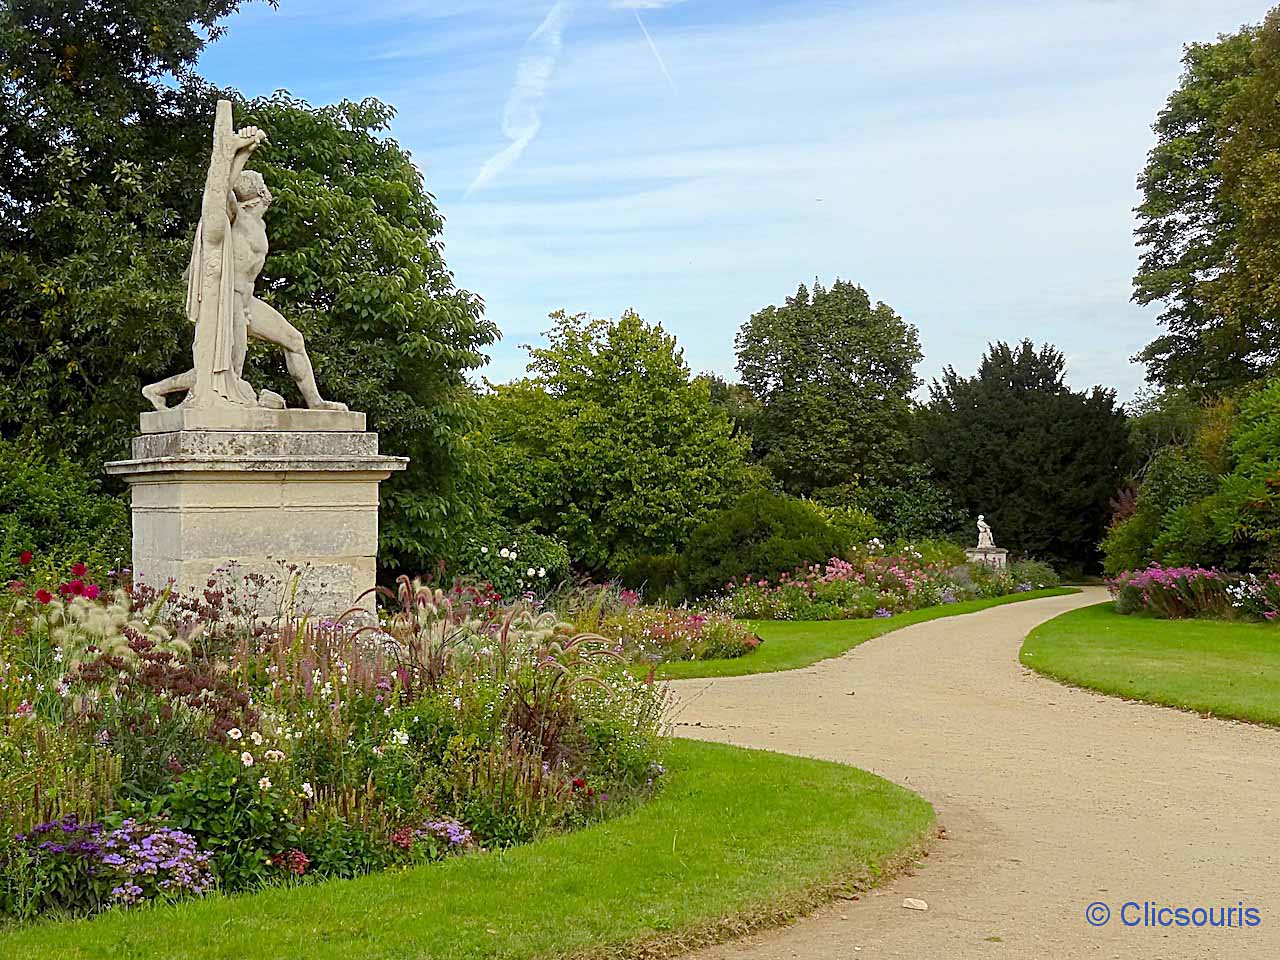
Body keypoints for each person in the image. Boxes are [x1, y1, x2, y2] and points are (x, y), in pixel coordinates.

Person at [143, 101, 345, 413]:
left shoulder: (257, 222)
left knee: (294, 339)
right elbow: (218, 190)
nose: (267, 190)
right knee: (222, 373)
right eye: (262, 184)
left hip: (247, 301)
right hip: (229, 303)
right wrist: (239, 152)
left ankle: (315, 402)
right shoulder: (236, 216)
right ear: (258, 193)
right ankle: (158, 389)